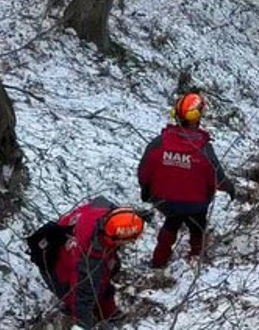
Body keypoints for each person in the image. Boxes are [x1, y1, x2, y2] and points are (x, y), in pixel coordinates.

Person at [138, 92, 236, 268]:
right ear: (197, 117)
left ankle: (158, 261)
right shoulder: (204, 148)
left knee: (172, 221)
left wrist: (145, 188)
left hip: (165, 201)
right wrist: (230, 188)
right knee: (197, 224)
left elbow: (144, 170)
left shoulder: (159, 143)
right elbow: (217, 177)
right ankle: (196, 256)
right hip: (196, 203)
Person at [40, 197, 144, 329]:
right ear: (115, 240)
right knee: (80, 294)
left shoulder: (104, 212)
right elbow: (82, 298)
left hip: (61, 246)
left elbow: (111, 208)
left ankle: (107, 312)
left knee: (108, 270)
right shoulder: (91, 255)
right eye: (128, 241)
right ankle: (73, 316)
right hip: (55, 266)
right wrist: (83, 326)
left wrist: (138, 217)